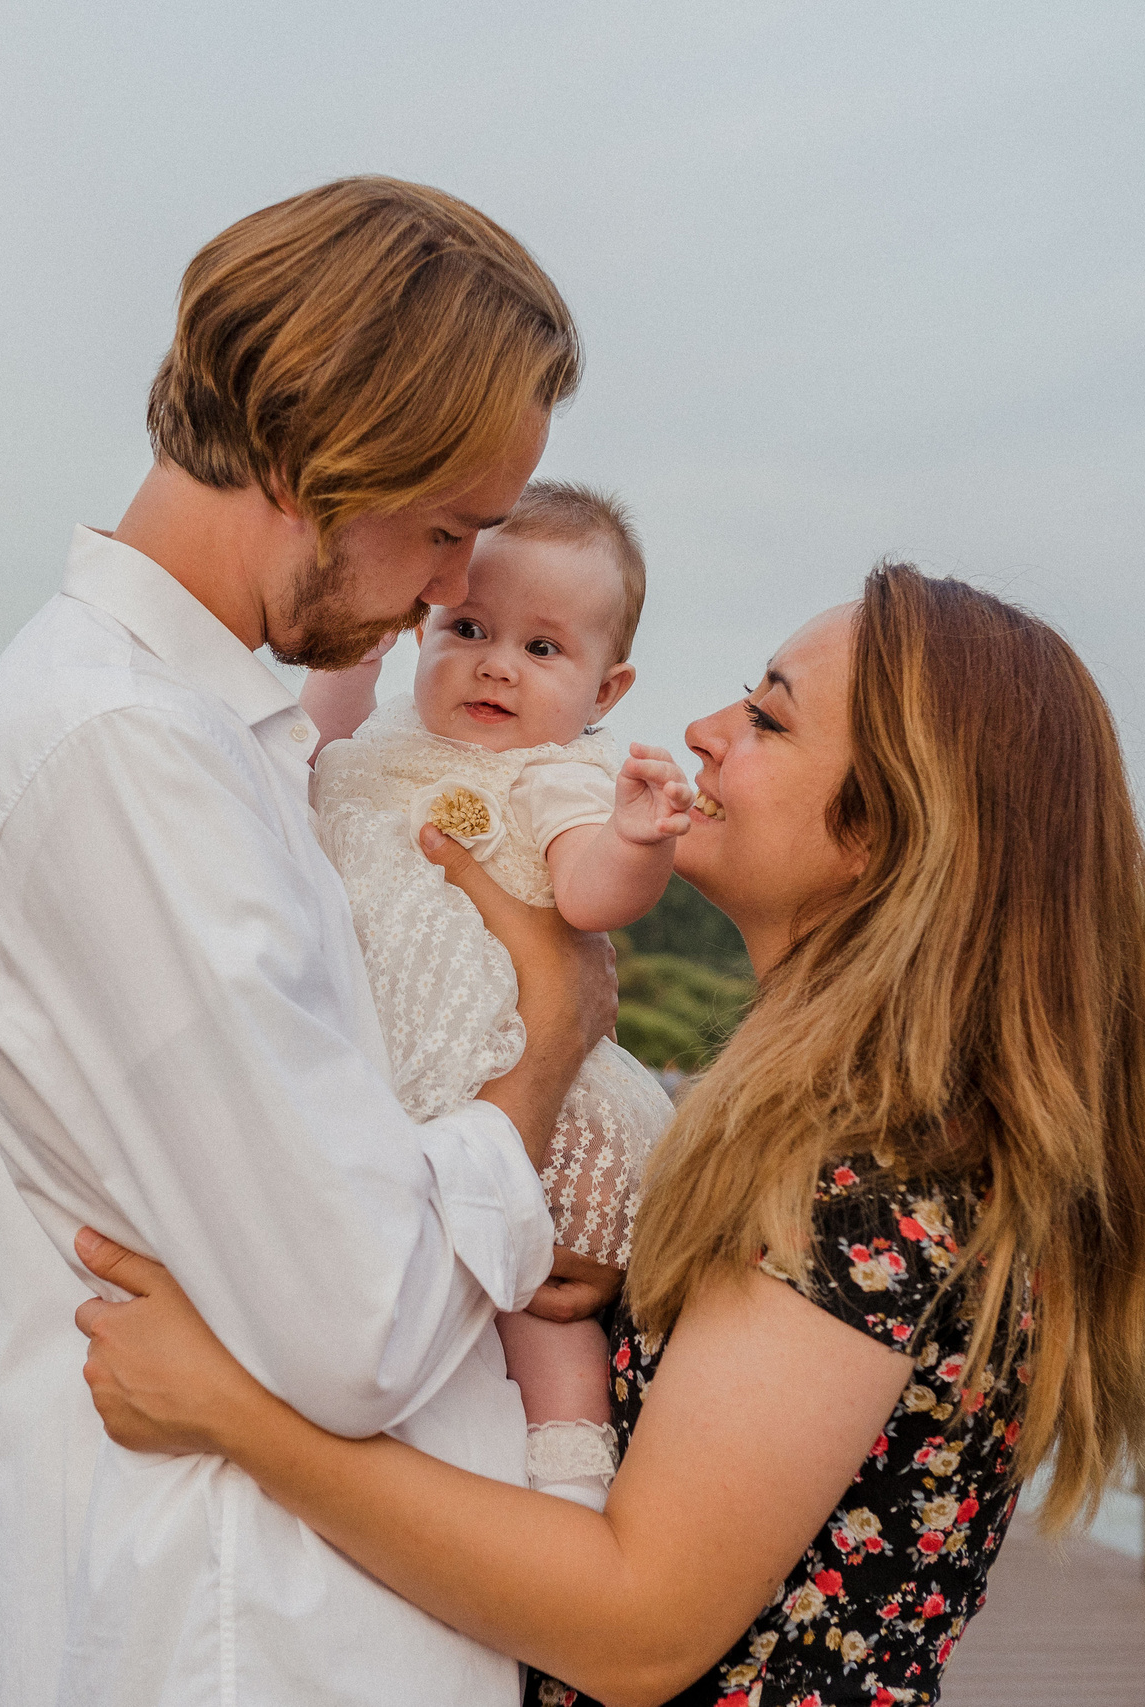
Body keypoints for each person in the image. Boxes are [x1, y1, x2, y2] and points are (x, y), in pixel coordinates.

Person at [72, 566, 1145, 1707]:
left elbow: (634, 1628)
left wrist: (229, 1413)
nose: (702, 733)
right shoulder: (870, 1146)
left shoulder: (870, 1188)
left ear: (883, 828)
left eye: (764, 716)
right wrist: (631, 1284)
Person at [0, 177, 615, 1707]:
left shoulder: (209, 736)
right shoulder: (120, 750)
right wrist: (541, 1062)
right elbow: (353, 1319)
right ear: (314, 448)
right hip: (262, 1639)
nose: (449, 588)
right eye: (444, 528)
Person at [301, 480, 689, 1510]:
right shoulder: (376, 753)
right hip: (416, 1086)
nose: (495, 664)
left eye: (542, 649)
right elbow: (306, 745)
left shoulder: (555, 778)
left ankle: (570, 1470)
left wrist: (638, 843)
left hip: (536, 1100)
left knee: (544, 1301)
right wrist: (351, 644)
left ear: (606, 693)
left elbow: (587, 892)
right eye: (467, 626)